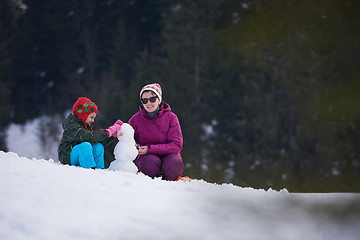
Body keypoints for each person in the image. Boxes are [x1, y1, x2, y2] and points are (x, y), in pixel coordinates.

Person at [128, 83, 184, 181]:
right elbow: (129, 139)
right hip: (148, 157)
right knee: (149, 164)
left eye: (152, 99)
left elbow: (176, 145)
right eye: (144, 101)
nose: (148, 103)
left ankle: (170, 186)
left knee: (174, 164)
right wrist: (134, 145)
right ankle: (149, 188)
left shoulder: (171, 117)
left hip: (169, 155)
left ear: (159, 99)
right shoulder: (135, 119)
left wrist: (149, 148)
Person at [58, 97, 123, 169]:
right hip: (68, 156)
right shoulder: (72, 126)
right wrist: (108, 132)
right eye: (91, 117)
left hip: (80, 155)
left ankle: (99, 171)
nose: (93, 120)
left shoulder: (85, 127)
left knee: (98, 146)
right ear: (83, 115)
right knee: (85, 146)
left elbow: (95, 140)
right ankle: (89, 171)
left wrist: (112, 135)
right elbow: (88, 136)